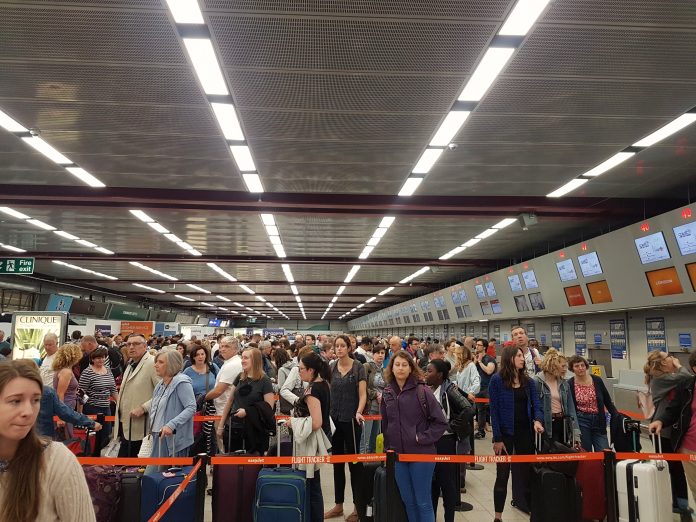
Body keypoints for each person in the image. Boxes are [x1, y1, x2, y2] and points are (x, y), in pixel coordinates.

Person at [0, 360, 96, 521]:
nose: (28, 412)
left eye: (36, 400)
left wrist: (89, 422)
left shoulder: (58, 461)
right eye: (16, 401)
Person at [381, 351, 448, 522]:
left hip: (421, 455)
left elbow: (440, 422)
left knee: (423, 502)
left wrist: (422, 438)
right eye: (397, 365)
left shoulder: (422, 391)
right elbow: (386, 424)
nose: (401, 368)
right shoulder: (388, 392)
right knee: (408, 501)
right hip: (397, 456)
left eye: (405, 365)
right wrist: (387, 451)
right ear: (392, 368)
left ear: (411, 368)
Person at [489, 345, 544, 522]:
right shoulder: (497, 381)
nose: (522, 358)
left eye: (522, 355)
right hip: (505, 435)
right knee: (502, 475)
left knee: (528, 475)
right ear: (510, 358)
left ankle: (532, 513)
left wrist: (537, 420)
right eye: (519, 355)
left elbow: (537, 406)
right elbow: (494, 411)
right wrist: (497, 438)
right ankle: (498, 516)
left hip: (525, 434)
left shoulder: (529, 382)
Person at [643, 350, 693, 516]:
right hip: (662, 430)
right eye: (669, 357)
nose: (673, 358)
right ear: (663, 363)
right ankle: (676, 503)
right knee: (671, 468)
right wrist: (679, 366)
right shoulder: (660, 379)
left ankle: (681, 504)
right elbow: (687, 376)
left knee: (677, 469)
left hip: (673, 430)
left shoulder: (668, 378)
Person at [325, 335, 367, 522]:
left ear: (350, 348)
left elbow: (363, 394)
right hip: (335, 422)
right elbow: (326, 391)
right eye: (337, 346)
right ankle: (338, 505)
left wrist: (358, 411)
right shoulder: (331, 367)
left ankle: (358, 507)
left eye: (343, 346)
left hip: (351, 421)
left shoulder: (358, 367)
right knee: (337, 465)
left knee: (355, 466)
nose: (340, 349)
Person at [426, 359, 474, 521]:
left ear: (439, 375)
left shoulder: (449, 389)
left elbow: (468, 408)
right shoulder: (426, 389)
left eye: (430, 371)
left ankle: (449, 518)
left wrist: (452, 425)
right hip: (429, 443)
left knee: (447, 483)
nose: (427, 373)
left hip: (446, 442)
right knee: (431, 483)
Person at [287, 352, 332, 522]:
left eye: (302, 369)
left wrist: (293, 423)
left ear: (311, 370)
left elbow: (316, 422)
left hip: (309, 442)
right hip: (312, 441)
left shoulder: (313, 389)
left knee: (311, 485)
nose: (299, 372)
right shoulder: (324, 385)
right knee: (313, 485)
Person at [142, 350, 196, 473]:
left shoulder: (181, 382)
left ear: (171, 364)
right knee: (155, 478)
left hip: (173, 438)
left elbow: (191, 407)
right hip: (158, 436)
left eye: (160, 362)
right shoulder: (160, 384)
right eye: (156, 362)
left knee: (159, 477)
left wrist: (171, 424)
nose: (156, 365)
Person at [217, 348, 275, 454]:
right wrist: (221, 425)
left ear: (255, 360)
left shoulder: (265, 380)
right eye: (242, 357)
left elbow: (268, 408)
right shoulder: (240, 377)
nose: (242, 360)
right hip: (234, 428)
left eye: (246, 358)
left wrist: (248, 412)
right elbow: (230, 401)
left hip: (254, 430)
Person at [113, 333, 160, 458]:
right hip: (125, 422)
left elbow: (163, 392)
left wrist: (144, 407)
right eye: (128, 344)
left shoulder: (152, 363)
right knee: (124, 463)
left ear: (145, 346)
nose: (131, 347)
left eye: (136, 344)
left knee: (135, 464)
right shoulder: (130, 364)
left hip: (142, 425)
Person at [567, 354, 617, 451]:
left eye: (582, 365)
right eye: (576, 366)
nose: (580, 368)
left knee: (604, 450)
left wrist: (616, 415)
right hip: (582, 420)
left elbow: (607, 400)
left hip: (599, 419)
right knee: (586, 451)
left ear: (586, 366)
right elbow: (571, 406)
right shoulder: (570, 384)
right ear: (572, 369)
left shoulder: (596, 380)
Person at [533, 349, 581, 444]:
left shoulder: (564, 384)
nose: (565, 369)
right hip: (546, 424)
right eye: (563, 366)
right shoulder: (537, 382)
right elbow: (534, 406)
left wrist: (576, 434)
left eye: (566, 366)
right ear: (553, 365)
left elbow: (571, 409)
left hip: (563, 423)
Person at [205, 337, 242, 452]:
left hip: (225, 413)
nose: (222, 349)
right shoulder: (230, 363)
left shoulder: (232, 365)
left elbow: (219, 390)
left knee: (223, 447)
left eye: (227, 346)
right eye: (221, 346)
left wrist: (203, 398)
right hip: (224, 410)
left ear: (236, 349)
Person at [78, 347, 118, 448]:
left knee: (106, 434)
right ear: (92, 359)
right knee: (93, 435)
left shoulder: (108, 370)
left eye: (103, 357)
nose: (101, 360)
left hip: (106, 407)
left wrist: (119, 403)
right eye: (98, 358)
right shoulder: (87, 372)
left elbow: (113, 389)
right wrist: (80, 413)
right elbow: (81, 393)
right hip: (92, 407)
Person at [52, 343, 83, 439]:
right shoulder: (66, 372)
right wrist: (61, 417)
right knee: (65, 439)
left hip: (66, 408)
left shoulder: (62, 370)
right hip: (65, 409)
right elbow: (60, 393)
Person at [362, 343, 386, 453]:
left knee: (375, 435)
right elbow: (362, 386)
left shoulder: (385, 370)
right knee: (366, 434)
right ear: (373, 354)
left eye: (382, 353)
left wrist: (384, 394)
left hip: (381, 406)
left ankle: (372, 457)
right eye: (378, 353)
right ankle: (362, 456)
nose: (380, 355)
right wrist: (375, 394)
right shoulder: (366, 366)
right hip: (369, 405)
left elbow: (388, 386)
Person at [474, 339, 496, 439]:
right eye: (476, 345)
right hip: (478, 389)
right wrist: (475, 361)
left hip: (488, 389)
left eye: (479, 345)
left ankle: (497, 432)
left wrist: (479, 361)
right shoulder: (475, 359)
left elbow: (489, 371)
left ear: (484, 347)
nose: (477, 346)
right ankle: (481, 431)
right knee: (480, 411)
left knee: (493, 410)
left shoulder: (490, 359)